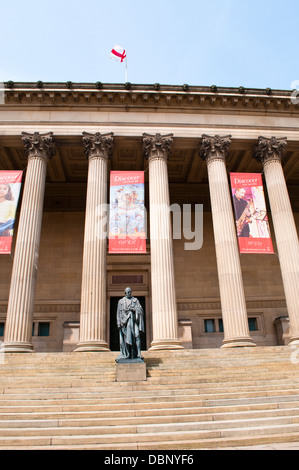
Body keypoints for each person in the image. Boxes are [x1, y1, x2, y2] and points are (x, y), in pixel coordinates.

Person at [116, 287, 145, 362]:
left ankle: (139, 353)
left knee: (137, 335)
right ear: (125, 293)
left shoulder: (135, 300)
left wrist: (135, 309)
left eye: (130, 292)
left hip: (134, 321)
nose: (129, 293)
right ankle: (127, 354)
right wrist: (119, 322)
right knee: (126, 338)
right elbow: (118, 313)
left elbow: (140, 310)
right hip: (124, 323)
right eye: (128, 292)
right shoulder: (121, 301)